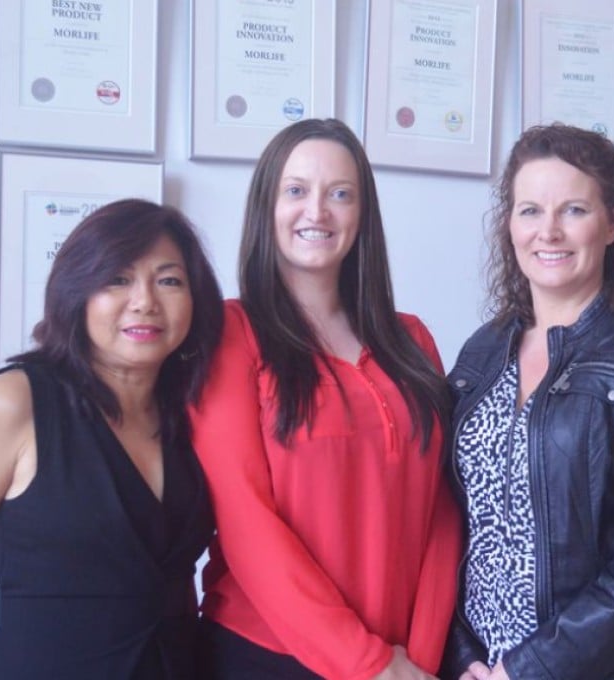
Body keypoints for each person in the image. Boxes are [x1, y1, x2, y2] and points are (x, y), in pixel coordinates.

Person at [441, 123, 614, 680]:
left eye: (573, 210)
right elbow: (449, 521)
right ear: (509, 224)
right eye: (530, 210)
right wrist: (462, 655)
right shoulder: (481, 352)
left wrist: (533, 667)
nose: (548, 231)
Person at [189, 118, 461, 680]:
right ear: (267, 206)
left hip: (405, 660)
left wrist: (419, 656)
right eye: (296, 190)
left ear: (363, 214)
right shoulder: (232, 334)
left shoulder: (412, 340)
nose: (317, 211)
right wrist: (369, 663)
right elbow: (244, 520)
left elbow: (442, 508)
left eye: (340, 194)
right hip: (266, 655)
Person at [0, 199, 224, 678]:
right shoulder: (16, 401)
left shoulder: (192, 414)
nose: (145, 301)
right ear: (77, 291)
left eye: (169, 281)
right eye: (117, 279)